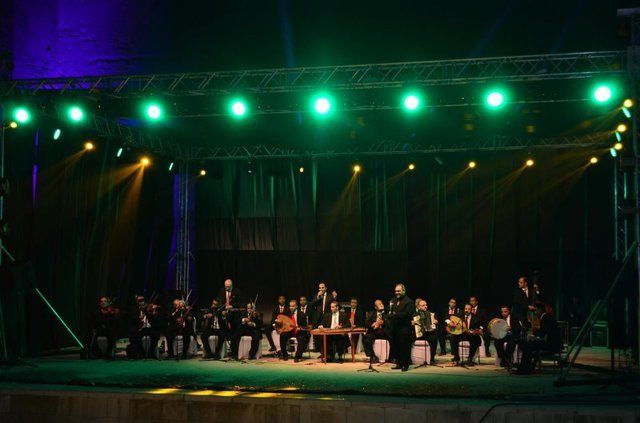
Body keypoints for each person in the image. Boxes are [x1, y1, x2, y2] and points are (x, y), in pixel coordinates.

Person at [517, 302, 562, 374]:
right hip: (552, 342)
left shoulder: (545, 318)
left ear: (540, 310)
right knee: (530, 344)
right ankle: (528, 367)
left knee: (528, 344)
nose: (535, 312)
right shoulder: (546, 317)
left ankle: (525, 368)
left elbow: (543, 334)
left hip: (551, 344)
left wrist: (535, 336)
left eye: (536, 310)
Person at [128, 295, 162, 359]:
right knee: (136, 336)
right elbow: (132, 319)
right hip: (140, 328)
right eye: (140, 301)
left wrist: (152, 312)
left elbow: (154, 320)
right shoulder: (135, 310)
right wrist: (139, 318)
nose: (142, 303)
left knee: (156, 335)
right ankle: (142, 353)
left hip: (150, 328)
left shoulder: (148, 309)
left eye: (143, 301)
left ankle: (151, 352)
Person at [389, 283, 413, 371]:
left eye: (398, 291)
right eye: (395, 291)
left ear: (403, 291)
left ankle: (405, 365)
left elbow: (408, 314)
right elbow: (390, 311)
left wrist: (395, 314)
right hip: (395, 328)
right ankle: (399, 363)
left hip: (404, 328)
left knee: (404, 347)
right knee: (396, 346)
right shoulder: (393, 300)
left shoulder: (409, 301)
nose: (396, 293)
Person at [412, 299, 438, 364]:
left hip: (428, 333)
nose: (425, 306)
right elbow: (410, 323)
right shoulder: (415, 314)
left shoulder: (430, 314)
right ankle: (409, 359)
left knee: (434, 338)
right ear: (419, 307)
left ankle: (432, 358)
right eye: (423, 305)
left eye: (426, 305)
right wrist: (412, 323)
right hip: (419, 333)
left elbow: (435, 322)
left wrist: (435, 321)